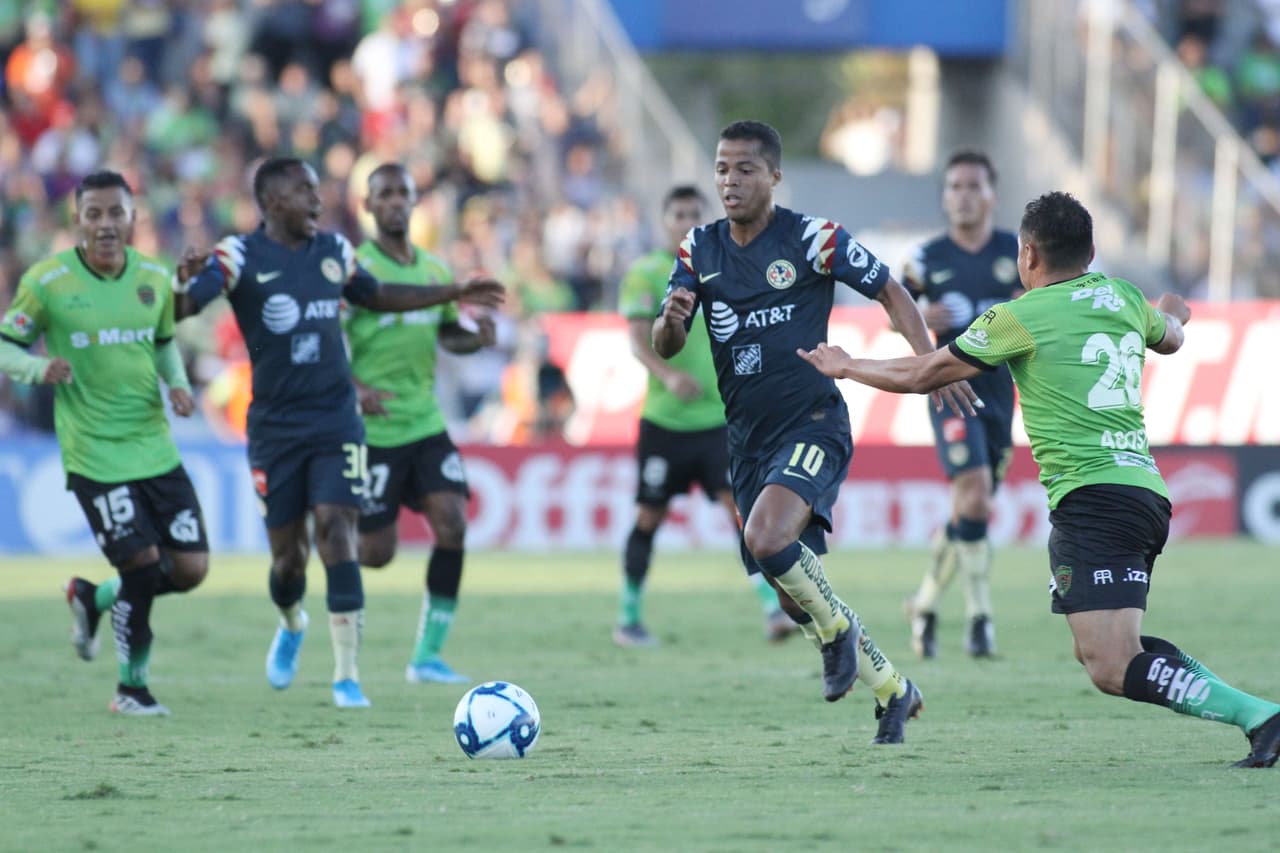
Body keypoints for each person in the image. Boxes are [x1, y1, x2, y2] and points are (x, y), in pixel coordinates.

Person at [798, 191, 1280, 768]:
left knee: (1111, 665)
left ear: (1028, 254)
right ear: (1092, 251)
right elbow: (1172, 338)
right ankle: (1257, 715)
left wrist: (848, 365)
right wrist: (1175, 310)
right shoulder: (1122, 296)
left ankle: (1261, 718)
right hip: (1144, 493)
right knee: (1103, 652)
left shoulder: (1020, 316)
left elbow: (927, 372)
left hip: (1093, 499)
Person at [653, 120, 977, 744]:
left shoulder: (814, 238)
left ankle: (838, 639)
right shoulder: (699, 249)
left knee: (767, 535)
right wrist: (670, 320)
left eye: (745, 169)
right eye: (721, 169)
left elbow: (890, 290)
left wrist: (930, 363)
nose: (730, 181)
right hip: (746, 441)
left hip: (813, 422)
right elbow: (665, 346)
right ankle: (892, 690)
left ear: (774, 176)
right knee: (795, 598)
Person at [173, 157, 504, 709]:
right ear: (274, 201)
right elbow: (185, 306)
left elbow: (376, 295)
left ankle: (346, 677)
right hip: (276, 429)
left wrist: (451, 293)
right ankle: (292, 620)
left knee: (337, 531)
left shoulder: (335, 252)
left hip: (337, 422)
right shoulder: (236, 255)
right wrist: (182, 283)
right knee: (289, 560)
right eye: (306, 192)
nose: (319, 201)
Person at [0, 170, 209, 716]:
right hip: (95, 453)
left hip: (155, 448)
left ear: (134, 218)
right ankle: (131, 689)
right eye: (94, 214)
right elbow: (4, 346)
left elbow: (162, 342)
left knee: (190, 569)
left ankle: (92, 599)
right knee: (141, 566)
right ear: (78, 221)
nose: (106, 224)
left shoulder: (155, 277)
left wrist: (179, 385)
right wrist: (38, 367)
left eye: (117, 212)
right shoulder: (48, 282)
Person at [616, 184, 793, 648]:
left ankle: (774, 610)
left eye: (694, 213)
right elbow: (637, 339)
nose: (685, 221)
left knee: (743, 514)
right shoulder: (647, 273)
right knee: (649, 517)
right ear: (664, 219)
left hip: (720, 420)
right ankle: (628, 616)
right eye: (677, 213)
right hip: (665, 421)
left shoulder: (721, 268)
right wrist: (667, 375)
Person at [345, 162, 497, 685]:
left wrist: (476, 337)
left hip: (424, 422)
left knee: (453, 523)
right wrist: (355, 389)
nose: (393, 202)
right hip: (374, 433)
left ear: (414, 203)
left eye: (402, 193)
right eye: (383, 194)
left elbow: (448, 334)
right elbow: (326, 343)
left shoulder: (434, 271)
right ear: (367, 206)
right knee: (376, 553)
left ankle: (427, 657)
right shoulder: (354, 271)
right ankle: (325, 541)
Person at [899, 150, 1022, 659]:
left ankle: (924, 604)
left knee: (973, 506)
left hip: (1001, 390)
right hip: (950, 386)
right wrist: (920, 310)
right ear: (945, 197)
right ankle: (980, 617)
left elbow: (1046, 304)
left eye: (974, 185)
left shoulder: (1018, 251)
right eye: (955, 186)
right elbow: (894, 306)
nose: (964, 195)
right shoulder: (927, 257)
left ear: (992, 194)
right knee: (973, 495)